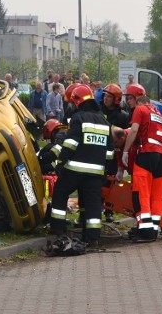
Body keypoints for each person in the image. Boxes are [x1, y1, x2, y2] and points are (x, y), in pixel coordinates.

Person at [49, 85, 113, 246]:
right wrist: (105, 170)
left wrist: (60, 162)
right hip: (96, 173)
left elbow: (70, 144)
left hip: (75, 170)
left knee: (60, 193)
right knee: (92, 203)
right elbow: (110, 152)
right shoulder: (105, 122)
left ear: (78, 101)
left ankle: (58, 229)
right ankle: (92, 237)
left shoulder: (79, 118)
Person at [122, 94, 162, 243]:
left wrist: (125, 150)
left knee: (141, 194)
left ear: (140, 102)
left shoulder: (140, 109)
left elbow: (134, 130)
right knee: (157, 198)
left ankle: (145, 232)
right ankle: (153, 231)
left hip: (146, 155)